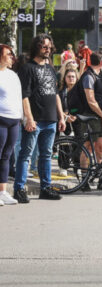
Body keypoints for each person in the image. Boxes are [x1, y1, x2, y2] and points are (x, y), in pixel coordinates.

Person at [14, 34, 67, 202]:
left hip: (51, 120)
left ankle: (45, 188)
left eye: (50, 47)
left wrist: (61, 117)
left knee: (46, 155)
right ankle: (19, 189)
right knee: (26, 155)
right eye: (45, 47)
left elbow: (56, 94)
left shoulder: (50, 68)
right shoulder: (27, 68)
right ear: (37, 47)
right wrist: (28, 118)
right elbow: (24, 96)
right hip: (35, 120)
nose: (48, 50)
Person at [71, 52, 102, 191]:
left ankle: (101, 179)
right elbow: (91, 100)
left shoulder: (99, 76)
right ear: (101, 62)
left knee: (100, 147)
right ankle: (84, 180)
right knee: (88, 147)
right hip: (89, 116)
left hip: (100, 116)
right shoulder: (89, 76)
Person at [0, 44, 21, 206]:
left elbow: (18, 96)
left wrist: (23, 116)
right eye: (8, 54)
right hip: (1, 119)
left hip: (14, 120)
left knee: (7, 156)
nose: (11, 57)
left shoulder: (13, 75)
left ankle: (3, 191)